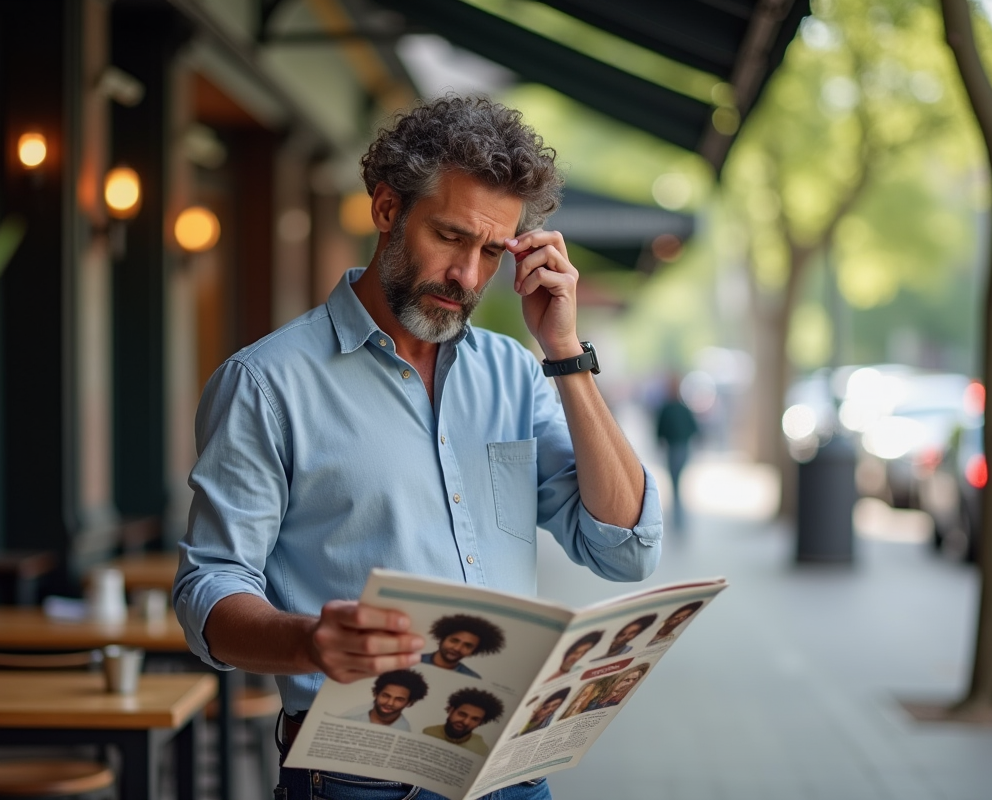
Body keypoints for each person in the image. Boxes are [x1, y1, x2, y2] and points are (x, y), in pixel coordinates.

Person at [174, 95, 664, 800]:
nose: (467, 276)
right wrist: (309, 641)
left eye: (493, 251)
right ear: (385, 209)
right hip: (358, 778)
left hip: (511, 770)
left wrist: (562, 351)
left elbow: (624, 547)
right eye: (450, 236)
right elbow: (207, 589)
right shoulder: (265, 383)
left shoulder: (518, 373)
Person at [655, 374, 698, 532]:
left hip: (680, 449)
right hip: (674, 449)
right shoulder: (669, 408)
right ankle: (678, 519)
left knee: (676, 483)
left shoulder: (679, 408)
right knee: (675, 484)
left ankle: (679, 519)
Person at [336, 669, 429, 731]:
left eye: (399, 699)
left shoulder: (406, 732)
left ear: (409, 703)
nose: (390, 703)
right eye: (386, 696)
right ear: (376, 694)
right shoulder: (346, 720)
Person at [422, 688, 504, 756]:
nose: (466, 722)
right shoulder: (428, 733)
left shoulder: (480, 749)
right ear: (451, 710)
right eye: (462, 714)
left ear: (481, 722)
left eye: (474, 719)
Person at [419, 614, 505, 678]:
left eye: (468, 646)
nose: (457, 648)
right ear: (442, 639)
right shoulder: (413, 661)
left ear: (473, 651)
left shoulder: (472, 678)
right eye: (454, 641)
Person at [582, 664, 649, 711]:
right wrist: (603, 700)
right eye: (626, 680)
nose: (630, 683)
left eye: (634, 679)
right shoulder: (597, 692)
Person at [591, 614, 656, 660]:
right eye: (622, 633)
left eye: (632, 633)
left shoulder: (630, 650)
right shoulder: (595, 650)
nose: (625, 636)